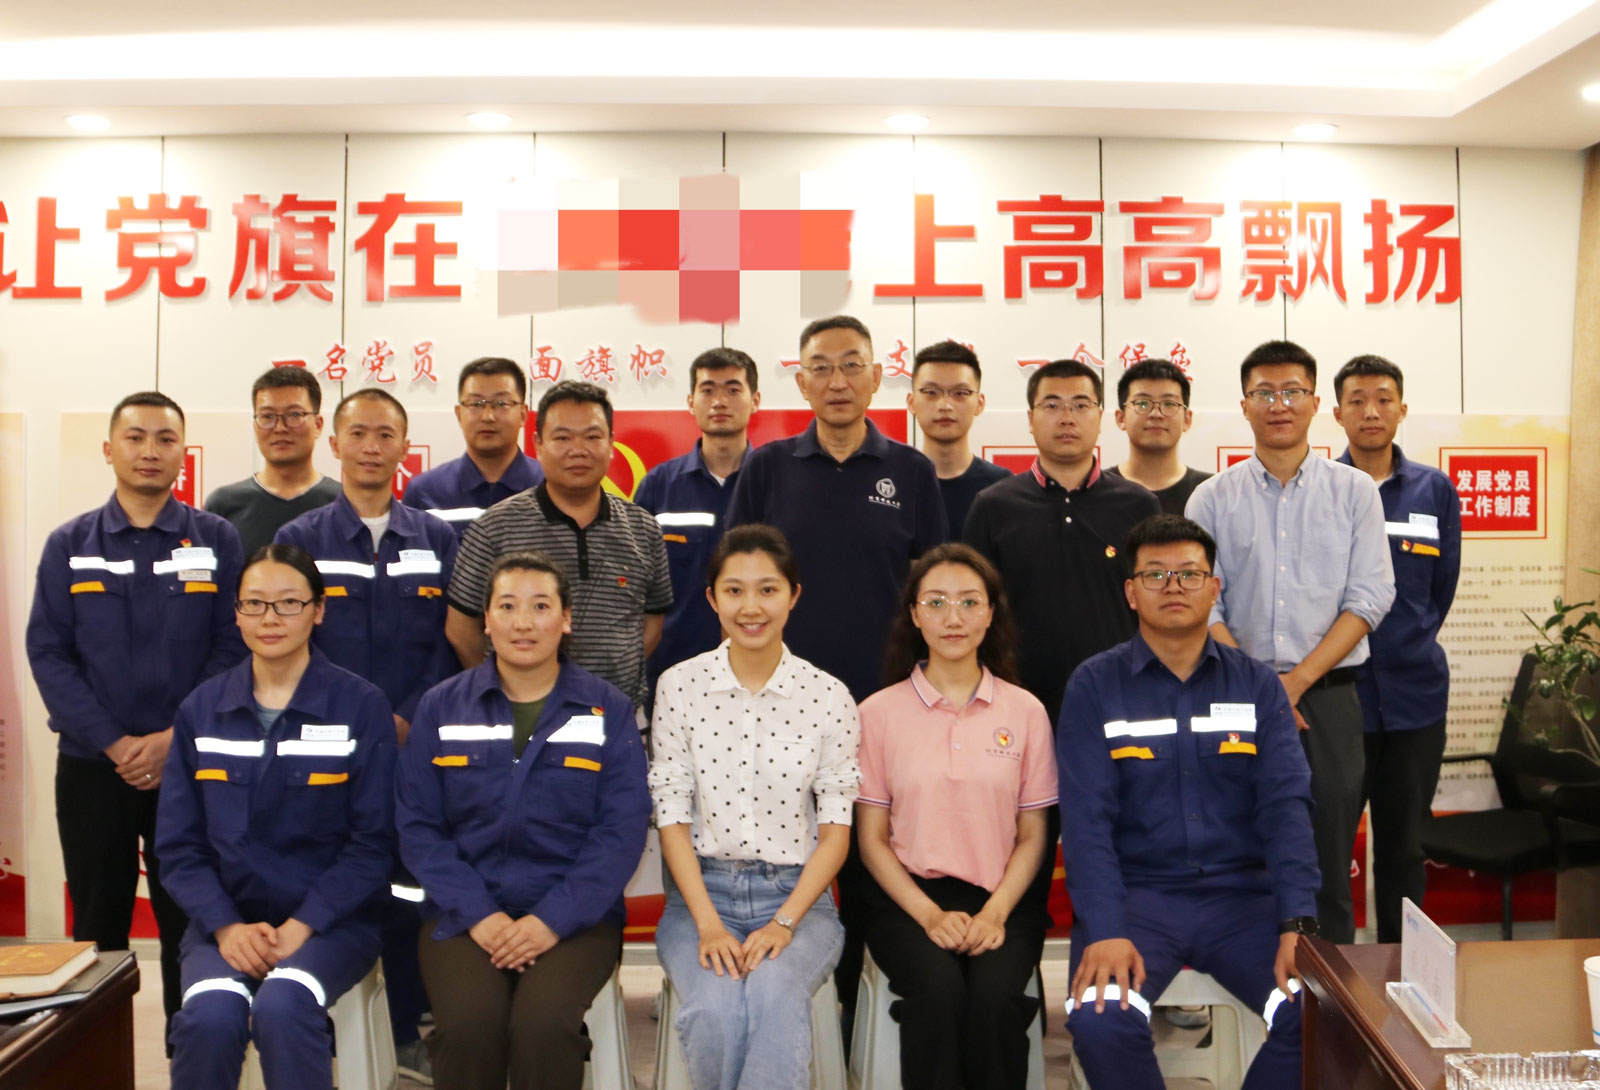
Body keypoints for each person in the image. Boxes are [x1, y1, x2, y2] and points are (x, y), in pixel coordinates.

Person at [723, 315, 943, 1038]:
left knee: (871, 858)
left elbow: (933, 588)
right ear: (801, 381)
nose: (838, 380)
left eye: (852, 365)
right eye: (821, 366)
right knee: (800, 856)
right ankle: (800, 1010)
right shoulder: (767, 467)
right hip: (783, 705)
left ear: (878, 378)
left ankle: (860, 1020)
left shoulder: (910, 472)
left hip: (886, 706)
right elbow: (738, 580)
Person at [1058, 514, 1320, 1090]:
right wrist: (1105, 928)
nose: (1173, 586)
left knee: (1321, 1012)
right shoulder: (1094, 685)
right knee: (1101, 1022)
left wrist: (1296, 923)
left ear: (1214, 587)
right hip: (1136, 902)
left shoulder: (1258, 687)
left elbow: (1286, 809)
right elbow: (1085, 822)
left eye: (1189, 573)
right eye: (1155, 574)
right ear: (1131, 592)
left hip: (1244, 902)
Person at [26, 391, 247, 1041]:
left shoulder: (216, 539)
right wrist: (115, 743)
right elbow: (49, 653)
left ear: (183, 452)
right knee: (98, 923)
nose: (150, 451)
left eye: (165, 439)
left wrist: (173, 738)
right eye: (135, 437)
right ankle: (95, 1058)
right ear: (109, 450)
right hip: (95, 767)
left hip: (191, 766)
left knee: (192, 917)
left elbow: (233, 647)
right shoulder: (70, 544)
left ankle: (193, 1052)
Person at [396, 551, 650, 1090]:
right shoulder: (442, 707)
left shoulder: (607, 709)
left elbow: (620, 832)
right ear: (486, 620)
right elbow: (419, 827)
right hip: (463, 914)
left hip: (576, 918)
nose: (523, 622)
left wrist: (549, 920)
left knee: (542, 1028)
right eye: (507, 606)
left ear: (566, 619)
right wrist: (480, 915)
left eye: (540, 606)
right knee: (469, 1026)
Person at [156, 545, 397, 1090]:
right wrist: (226, 926)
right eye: (255, 603)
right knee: (208, 1020)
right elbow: (179, 847)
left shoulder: (360, 707)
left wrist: (303, 924)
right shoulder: (201, 710)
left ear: (319, 610)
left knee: (283, 1008)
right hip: (224, 922)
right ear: (236, 613)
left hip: (332, 923)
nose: (270, 618)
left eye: (289, 602)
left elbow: (374, 842)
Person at [273, 387, 458, 1080]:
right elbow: (291, 638)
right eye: (359, 433)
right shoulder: (302, 539)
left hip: (415, 748)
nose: (372, 447)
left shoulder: (437, 538)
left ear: (406, 447)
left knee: (410, 890)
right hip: (329, 747)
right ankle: (316, 1026)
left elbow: (453, 641)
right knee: (330, 877)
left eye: (386, 435)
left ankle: (407, 1028)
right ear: (335, 442)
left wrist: (411, 714)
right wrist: (355, 717)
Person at [1185, 340, 1395, 944]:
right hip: (1232, 696)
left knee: (1328, 857)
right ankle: (1249, 980)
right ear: (1244, 405)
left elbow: (1370, 598)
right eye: (1264, 393)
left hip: (1327, 699)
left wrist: (1293, 684)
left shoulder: (1354, 492)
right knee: (1236, 850)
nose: (1279, 405)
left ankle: (1332, 992)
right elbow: (1204, 603)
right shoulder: (1212, 498)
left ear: (1314, 403)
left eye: (1292, 392)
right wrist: (1261, 687)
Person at [650, 524, 860, 1090]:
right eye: (734, 590)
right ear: (712, 599)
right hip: (700, 897)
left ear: (793, 596)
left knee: (772, 996)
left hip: (798, 900)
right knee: (715, 1010)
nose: (751, 607)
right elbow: (672, 816)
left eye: (768, 589)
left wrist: (784, 923)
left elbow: (836, 834)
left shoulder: (828, 696)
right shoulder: (679, 687)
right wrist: (708, 925)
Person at [856, 543, 1055, 1090]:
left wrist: (995, 914)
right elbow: (871, 840)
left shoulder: (1026, 711)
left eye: (969, 602)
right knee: (938, 995)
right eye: (937, 602)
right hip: (907, 900)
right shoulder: (877, 713)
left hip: (1003, 899)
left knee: (994, 1001)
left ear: (990, 614)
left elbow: (1033, 835)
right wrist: (928, 915)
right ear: (914, 614)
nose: (953, 617)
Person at [1332, 354, 1461, 942]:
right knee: (1329, 845)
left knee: (1405, 848)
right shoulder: (1323, 490)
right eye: (1357, 400)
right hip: (1340, 701)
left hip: (1415, 700)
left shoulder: (1435, 490)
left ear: (1402, 410)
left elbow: (1440, 589)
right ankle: (1332, 977)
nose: (1371, 411)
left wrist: (1407, 639)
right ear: (1337, 413)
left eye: (1383, 399)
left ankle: (1403, 971)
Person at [445, 380, 673, 712]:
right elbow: (462, 630)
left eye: (592, 437)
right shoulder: (494, 527)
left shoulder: (643, 528)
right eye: (563, 438)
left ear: (611, 444)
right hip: (519, 716)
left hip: (616, 715)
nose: (578, 450)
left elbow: (651, 624)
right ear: (538, 445)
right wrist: (505, 690)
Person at [963, 357, 1161, 723]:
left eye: (1081, 405)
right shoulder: (993, 506)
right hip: (1014, 700)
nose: (1067, 418)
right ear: (1030, 419)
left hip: (1120, 697)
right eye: (1052, 405)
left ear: (1100, 417)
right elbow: (973, 608)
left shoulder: (1139, 505)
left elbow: (1156, 603)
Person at [633, 346, 761, 712]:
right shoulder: (659, 485)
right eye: (707, 390)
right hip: (671, 675)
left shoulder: (773, 481)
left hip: (760, 674)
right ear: (691, 401)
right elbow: (635, 585)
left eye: (733, 389)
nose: (719, 401)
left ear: (755, 400)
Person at [205, 367, 342, 558]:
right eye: (267, 416)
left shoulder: (343, 502)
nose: (279, 428)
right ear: (255, 425)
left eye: (294, 415)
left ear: (318, 425)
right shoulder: (223, 505)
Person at [402, 356, 544, 537]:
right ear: (459, 414)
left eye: (501, 403)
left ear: (523, 414)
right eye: (476, 404)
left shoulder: (550, 487)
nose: (487, 416)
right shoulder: (425, 492)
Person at [906, 341, 1010, 541]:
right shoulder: (895, 483)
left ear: (979, 403)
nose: (945, 405)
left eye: (960, 393)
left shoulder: (1003, 487)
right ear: (911, 402)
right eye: (931, 393)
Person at [1105, 358, 1212, 516]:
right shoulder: (1097, 491)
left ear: (1187, 419)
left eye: (1169, 404)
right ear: (1121, 418)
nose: (1156, 414)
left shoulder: (1210, 492)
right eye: (1142, 404)